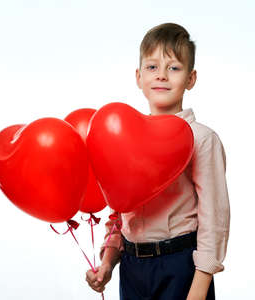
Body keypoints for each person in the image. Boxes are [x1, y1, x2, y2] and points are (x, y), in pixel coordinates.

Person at [85, 23, 230, 300]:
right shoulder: (124, 136)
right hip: (132, 267)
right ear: (138, 77)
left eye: (173, 68)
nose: (162, 76)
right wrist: (107, 263)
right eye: (152, 67)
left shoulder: (201, 139)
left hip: (181, 266)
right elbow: (120, 209)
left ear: (191, 78)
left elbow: (214, 217)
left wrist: (199, 286)